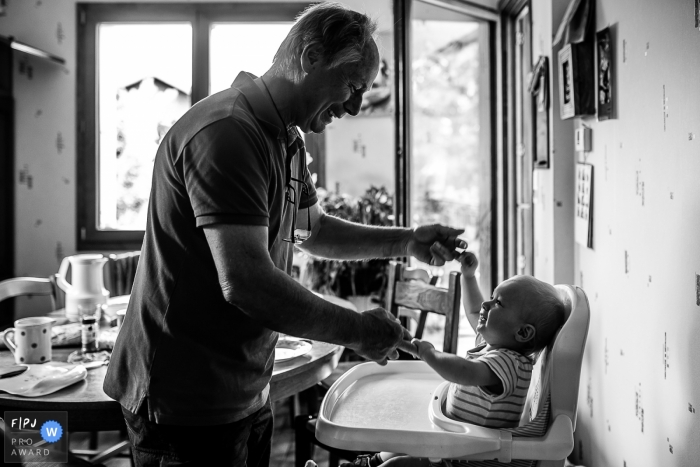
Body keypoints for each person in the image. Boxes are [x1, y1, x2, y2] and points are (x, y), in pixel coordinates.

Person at [103, 3, 466, 467]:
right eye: (353, 86)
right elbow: (247, 282)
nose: (356, 106)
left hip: (244, 387)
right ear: (312, 57)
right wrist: (357, 330)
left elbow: (312, 230)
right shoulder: (229, 133)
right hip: (185, 400)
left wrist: (405, 240)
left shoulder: (285, 138)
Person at [347, 251, 565, 467]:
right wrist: (469, 276)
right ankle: (367, 464)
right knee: (403, 440)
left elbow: (465, 372)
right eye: (491, 297)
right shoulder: (494, 345)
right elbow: (472, 309)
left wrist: (427, 353)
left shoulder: (510, 364)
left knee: (401, 464)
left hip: (469, 459)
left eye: (497, 303)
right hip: (455, 444)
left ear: (523, 333)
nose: (485, 305)